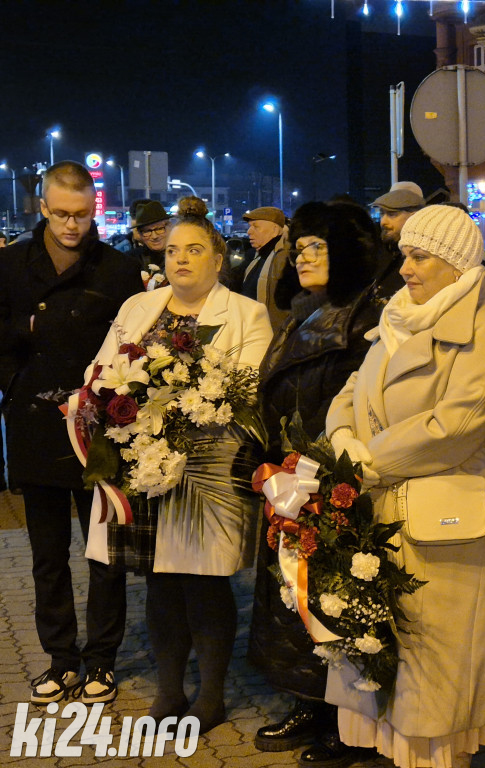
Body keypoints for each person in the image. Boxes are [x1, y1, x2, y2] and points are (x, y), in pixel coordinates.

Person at [323, 204, 485, 768]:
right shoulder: (400, 315)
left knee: (436, 689)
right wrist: (340, 439)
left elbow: (458, 424)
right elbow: (352, 389)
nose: (405, 266)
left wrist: (367, 460)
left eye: (420, 255)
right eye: (404, 252)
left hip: (443, 529)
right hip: (381, 515)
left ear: (456, 264)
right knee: (388, 673)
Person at [83, 214, 272, 732]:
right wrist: (126, 399)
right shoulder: (138, 306)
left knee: (206, 582)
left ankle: (210, 695)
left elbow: (246, 386)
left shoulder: (247, 314)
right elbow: (98, 372)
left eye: (193, 249)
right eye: (171, 251)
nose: (180, 259)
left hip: (207, 469)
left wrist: (175, 400)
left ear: (217, 259)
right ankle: (169, 688)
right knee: (161, 582)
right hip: (140, 464)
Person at [0, 161, 144, 705]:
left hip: (101, 433)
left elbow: (135, 348)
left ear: (94, 210)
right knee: (47, 555)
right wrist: (20, 357)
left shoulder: (118, 270)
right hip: (36, 425)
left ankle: (101, 661)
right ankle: (61, 660)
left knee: (105, 553)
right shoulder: (10, 266)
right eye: (60, 213)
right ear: (41, 207)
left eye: (81, 215)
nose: (70, 225)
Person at [248, 201, 384, 758]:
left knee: (335, 597)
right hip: (289, 478)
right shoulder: (306, 309)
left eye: (317, 248)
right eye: (299, 248)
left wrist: (319, 467)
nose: (303, 258)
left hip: (332, 477)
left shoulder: (365, 316)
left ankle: (345, 719)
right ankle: (308, 701)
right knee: (294, 595)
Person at [368, 181, 425, 308]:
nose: (383, 222)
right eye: (382, 213)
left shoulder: (429, 253)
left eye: (392, 214)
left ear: (415, 216)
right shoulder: (379, 249)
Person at [131, 200, 172, 268]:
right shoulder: (133, 261)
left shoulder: (182, 254)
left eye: (159, 229)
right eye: (147, 231)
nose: (154, 236)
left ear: (170, 226)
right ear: (140, 234)